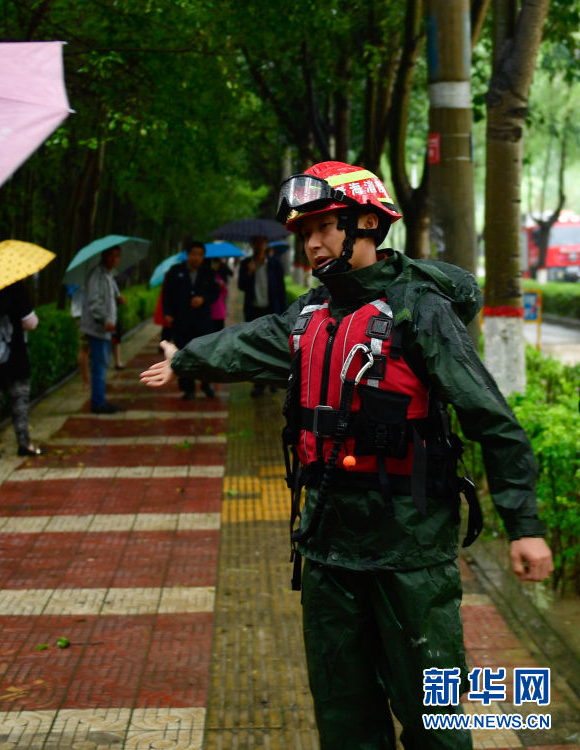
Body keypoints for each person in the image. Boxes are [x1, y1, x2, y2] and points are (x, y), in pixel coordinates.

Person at [142, 161, 553, 749]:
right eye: (304, 232)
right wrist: (185, 355)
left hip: (408, 552)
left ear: (365, 223)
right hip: (329, 545)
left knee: (436, 721)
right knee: (344, 719)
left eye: (325, 228)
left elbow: (492, 418)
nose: (311, 243)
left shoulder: (418, 310)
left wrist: (525, 525)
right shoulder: (311, 314)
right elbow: (246, 341)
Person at [0, 280, 43, 459]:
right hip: (14, 356)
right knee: (20, 401)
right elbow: (30, 323)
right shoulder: (16, 288)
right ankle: (24, 444)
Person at [161, 241, 219, 399]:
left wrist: (203, 299)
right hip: (181, 321)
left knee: (205, 354)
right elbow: (167, 294)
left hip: (203, 322)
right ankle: (188, 389)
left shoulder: (208, 272)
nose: (196, 257)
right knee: (183, 354)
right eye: (193, 253)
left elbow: (215, 293)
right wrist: (168, 312)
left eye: (200, 254)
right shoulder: (176, 271)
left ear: (203, 256)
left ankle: (206, 384)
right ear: (187, 254)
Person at [238, 235, 287, 396]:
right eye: (256, 243)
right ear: (252, 245)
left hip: (271, 310)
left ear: (266, 244)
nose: (259, 246)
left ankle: (273, 381)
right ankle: (258, 384)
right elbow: (241, 286)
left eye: (262, 242)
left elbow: (281, 290)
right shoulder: (246, 264)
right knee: (256, 347)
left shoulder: (274, 264)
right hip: (254, 311)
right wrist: (249, 273)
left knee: (272, 347)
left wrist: (284, 313)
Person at [80, 244, 125, 413]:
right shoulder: (96, 275)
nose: (113, 259)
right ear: (104, 256)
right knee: (99, 364)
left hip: (106, 329)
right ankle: (98, 403)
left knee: (103, 363)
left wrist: (117, 301)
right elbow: (94, 302)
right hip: (97, 328)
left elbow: (107, 299)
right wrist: (105, 319)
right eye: (110, 255)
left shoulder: (108, 275)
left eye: (117, 256)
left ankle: (100, 399)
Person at [210, 258, 230, 333]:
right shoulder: (205, 276)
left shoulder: (217, 275)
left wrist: (221, 286)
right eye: (215, 263)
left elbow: (224, 292)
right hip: (210, 312)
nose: (216, 265)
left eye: (218, 264)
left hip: (219, 311)